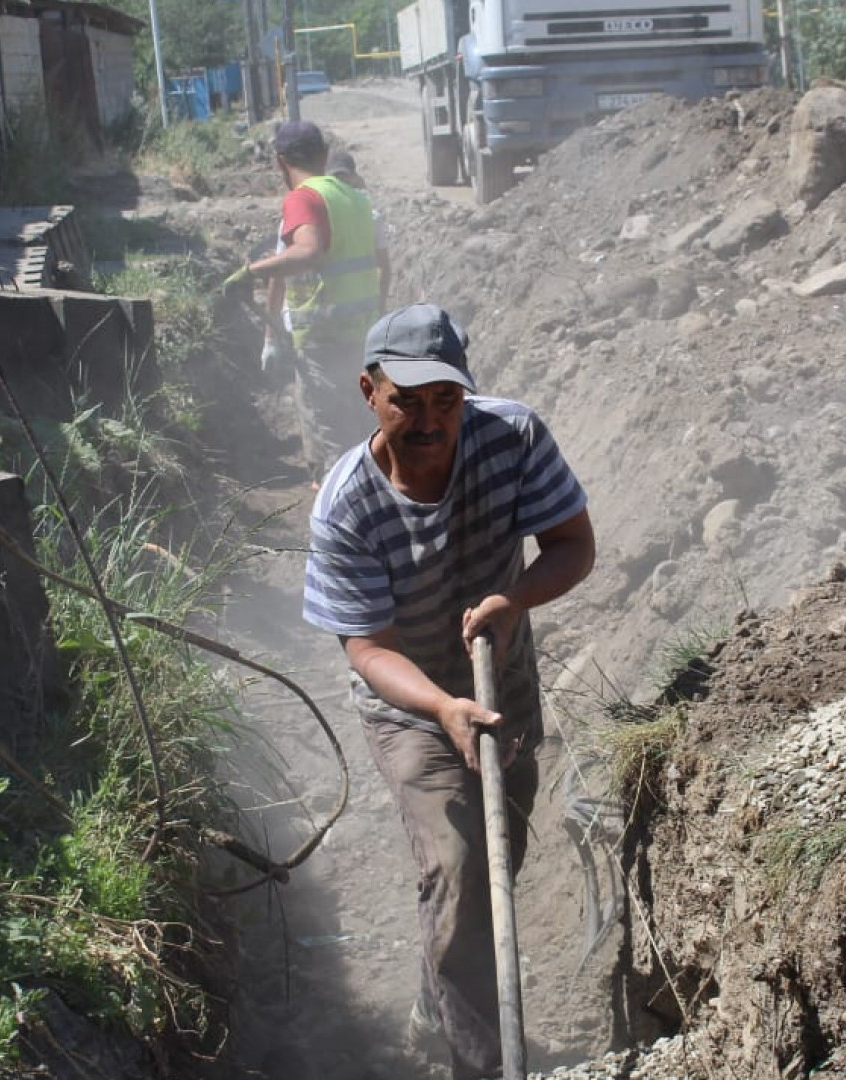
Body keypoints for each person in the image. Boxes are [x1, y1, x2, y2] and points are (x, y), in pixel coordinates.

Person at [301, 304, 596, 1079]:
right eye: (409, 401)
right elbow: (367, 647)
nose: (431, 421)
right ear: (369, 390)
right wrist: (440, 707)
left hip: (504, 681)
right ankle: (484, 1067)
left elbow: (572, 543)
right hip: (409, 704)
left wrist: (514, 601)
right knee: (462, 866)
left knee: (501, 849)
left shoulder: (513, 437)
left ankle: (437, 994)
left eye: (447, 400)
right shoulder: (347, 508)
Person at [238, 121, 392, 475]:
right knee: (364, 433)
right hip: (361, 339)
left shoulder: (303, 198)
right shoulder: (355, 199)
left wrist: (253, 271)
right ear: (324, 156)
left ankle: (346, 521)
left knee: (334, 444)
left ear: (280, 163)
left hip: (323, 341)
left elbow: (308, 252)